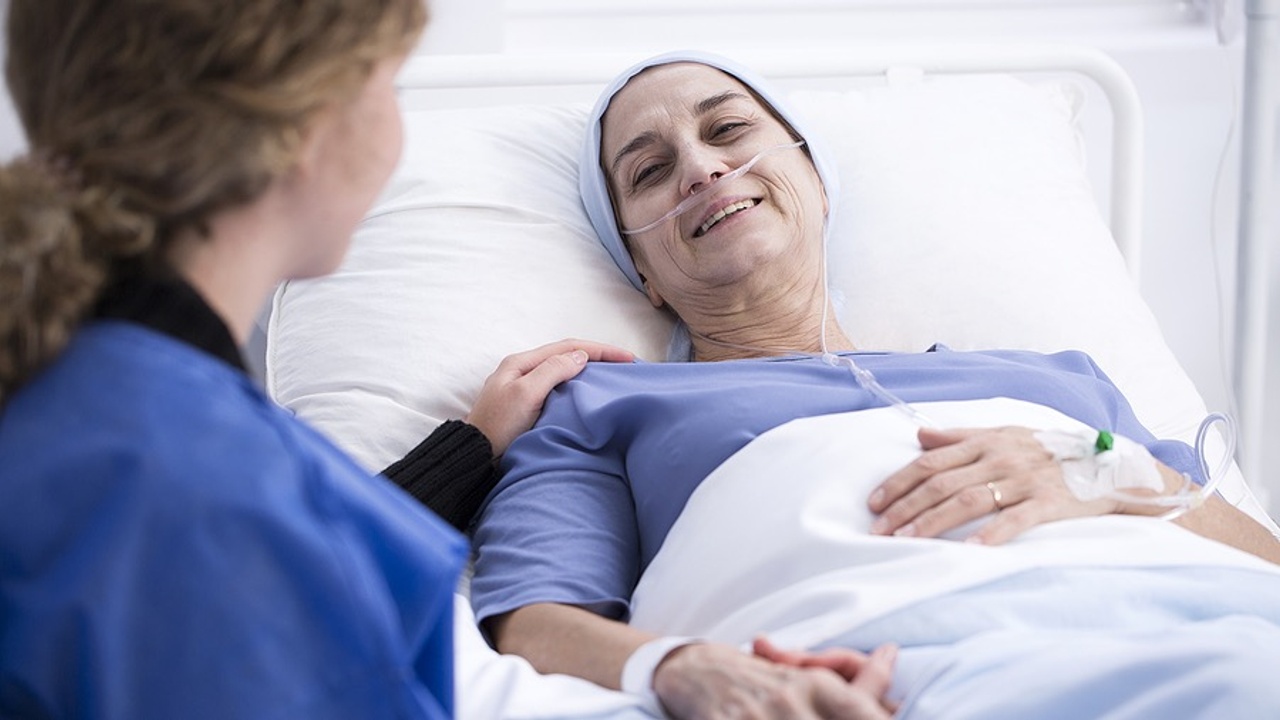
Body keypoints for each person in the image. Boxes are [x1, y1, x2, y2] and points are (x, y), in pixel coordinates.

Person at [466, 51, 1280, 719]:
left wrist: (1114, 471)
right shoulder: (602, 407)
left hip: (1216, 618)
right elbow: (533, 624)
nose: (703, 169)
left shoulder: (1056, 382)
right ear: (640, 269)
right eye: (650, 170)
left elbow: (1265, 563)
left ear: (815, 180)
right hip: (886, 674)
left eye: (729, 130)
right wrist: (685, 670)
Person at [0, 1, 629, 717]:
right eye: (389, 87)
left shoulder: (80, 398)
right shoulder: (208, 490)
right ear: (307, 127)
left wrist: (472, 447)